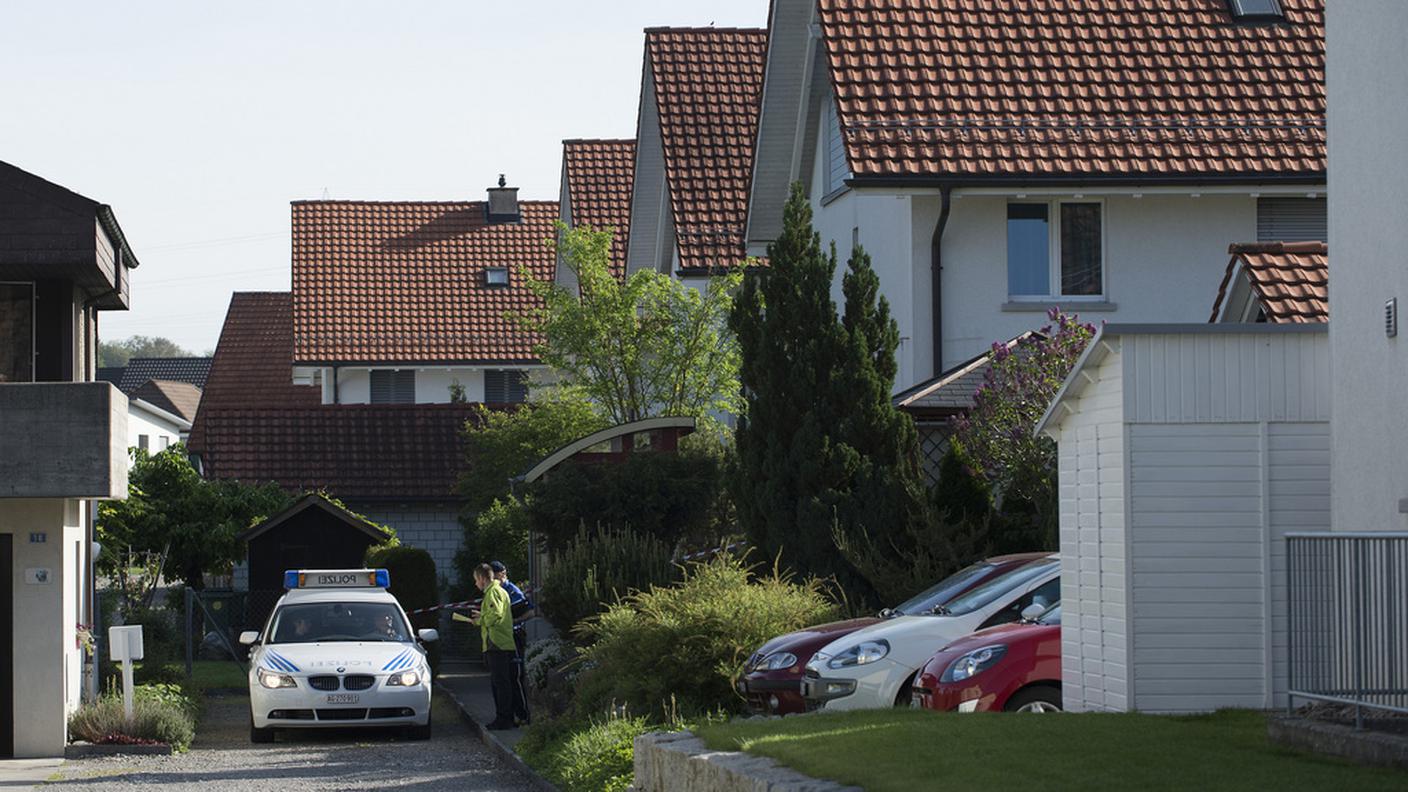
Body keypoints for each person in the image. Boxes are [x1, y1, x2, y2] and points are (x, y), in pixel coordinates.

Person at [469, 562, 516, 730]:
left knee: (500, 684)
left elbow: (495, 615)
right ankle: (505, 717)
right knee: (501, 683)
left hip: (497, 644)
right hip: (501, 643)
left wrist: (480, 620)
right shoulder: (498, 591)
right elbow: (496, 613)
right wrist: (483, 615)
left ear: (482, 578)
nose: (475, 584)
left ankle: (504, 719)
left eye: (476, 580)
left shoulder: (493, 592)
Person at [490, 560, 532, 725]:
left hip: (514, 637)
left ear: (502, 574)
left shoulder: (512, 591)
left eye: (494, 574)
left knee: (514, 677)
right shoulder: (495, 590)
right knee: (501, 679)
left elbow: (530, 612)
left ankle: (522, 715)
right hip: (501, 639)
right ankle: (507, 714)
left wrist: (510, 622)